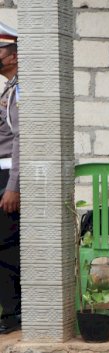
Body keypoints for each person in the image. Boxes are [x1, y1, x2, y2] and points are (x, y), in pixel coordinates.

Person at [0, 22, 20, 335]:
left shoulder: (21, 88)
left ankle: (14, 315)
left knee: (6, 248)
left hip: (8, 174)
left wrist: (12, 187)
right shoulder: (9, 87)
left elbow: (23, 139)